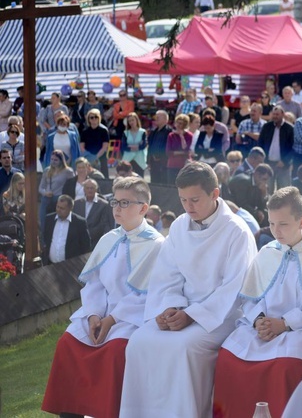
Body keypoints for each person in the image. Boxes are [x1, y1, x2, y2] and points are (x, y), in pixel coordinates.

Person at [119, 162, 256, 417]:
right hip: (181, 310)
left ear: (215, 194)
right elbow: (167, 275)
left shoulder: (237, 232)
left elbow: (234, 288)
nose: (188, 207)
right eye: (183, 200)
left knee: (184, 347)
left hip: (220, 318)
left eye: (194, 199)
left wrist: (192, 315)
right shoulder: (180, 226)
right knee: (138, 341)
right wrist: (167, 308)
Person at [42, 178, 163, 418]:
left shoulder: (156, 245)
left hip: (131, 319)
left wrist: (112, 319)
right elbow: (94, 284)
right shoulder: (109, 239)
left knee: (115, 352)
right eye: (114, 201)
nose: (117, 208)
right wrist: (94, 314)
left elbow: (148, 294)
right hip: (100, 315)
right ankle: (70, 413)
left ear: (143, 208)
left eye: (124, 203)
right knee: (68, 343)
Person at [213, 187, 302, 417]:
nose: (276, 231)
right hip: (261, 328)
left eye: (284, 224)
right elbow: (248, 297)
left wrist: (285, 323)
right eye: (272, 223)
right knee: (228, 358)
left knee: (283, 368)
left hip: (298, 330)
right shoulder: (267, 252)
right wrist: (258, 320)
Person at [42, 194, 91, 265]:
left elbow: (86, 246)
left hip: (70, 266)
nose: (58, 210)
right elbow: (45, 237)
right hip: (50, 264)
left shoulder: (79, 223)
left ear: (70, 208)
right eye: (57, 207)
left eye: (62, 208)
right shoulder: (49, 219)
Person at [39, 150, 75, 241]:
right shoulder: (47, 170)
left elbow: (72, 186)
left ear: (61, 160)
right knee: (43, 221)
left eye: (55, 160)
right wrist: (45, 192)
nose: (53, 162)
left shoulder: (68, 171)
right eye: (51, 159)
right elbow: (41, 188)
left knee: (56, 220)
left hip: (59, 198)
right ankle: (44, 241)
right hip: (47, 197)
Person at [259, 105, 295, 189]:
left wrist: (285, 161)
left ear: (283, 115)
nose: (275, 116)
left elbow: (293, 147)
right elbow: (260, 143)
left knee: (283, 190)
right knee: (267, 188)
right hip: (268, 164)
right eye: (274, 114)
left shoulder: (290, 128)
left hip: (283, 165)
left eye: (277, 114)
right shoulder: (266, 127)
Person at [72, 179, 115, 247]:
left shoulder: (103, 204)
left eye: (92, 188)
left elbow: (103, 224)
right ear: (84, 189)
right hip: (77, 241)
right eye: (87, 188)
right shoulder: (76, 203)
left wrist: (87, 236)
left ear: (96, 189)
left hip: (94, 241)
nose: (89, 190)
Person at [80, 109, 110, 179]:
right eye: (91, 117)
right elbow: (82, 147)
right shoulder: (85, 131)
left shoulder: (104, 130)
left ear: (99, 118)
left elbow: (105, 147)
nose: (94, 119)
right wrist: (90, 157)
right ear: (88, 119)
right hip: (88, 158)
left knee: (103, 179)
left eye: (96, 117)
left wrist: (96, 157)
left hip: (101, 157)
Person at [147, 110, 172, 185]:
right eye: (156, 117)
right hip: (153, 162)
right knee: (154, 182)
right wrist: (148, 160)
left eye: (158, 117)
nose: (156, 118)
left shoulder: (169, 131)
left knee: (163, 183)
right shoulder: (153, 132)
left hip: (163, 162)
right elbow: (149, 146)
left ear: (165, 119)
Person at [166, 113, 193, 181]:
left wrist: (182, 137)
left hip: (183, 165)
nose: (178, 125)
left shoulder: (189, 136)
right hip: (172, 164)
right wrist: (182, 153)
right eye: (177, 123)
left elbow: (186, 150)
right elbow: (168, 152)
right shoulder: (171, 135)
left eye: (181, 123)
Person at [121, 112, 148, 177]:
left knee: (139, 178)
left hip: (139, 160)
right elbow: (124, 147)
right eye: (129, 121)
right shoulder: (125, 133)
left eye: (132, 120)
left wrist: (130, 146)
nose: (131, 122)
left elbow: (143, 145)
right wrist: (137, 146)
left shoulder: (143, 132)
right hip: (128, 160)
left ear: (136, 120)